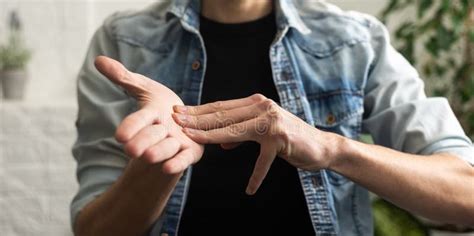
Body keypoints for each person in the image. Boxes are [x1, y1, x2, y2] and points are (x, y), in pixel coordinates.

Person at [70, 0, 474, 235]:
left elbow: (465, 195)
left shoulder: (355, 40)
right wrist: (158, 163)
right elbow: (94, 229)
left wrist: (331, 148)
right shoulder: (124, 41)